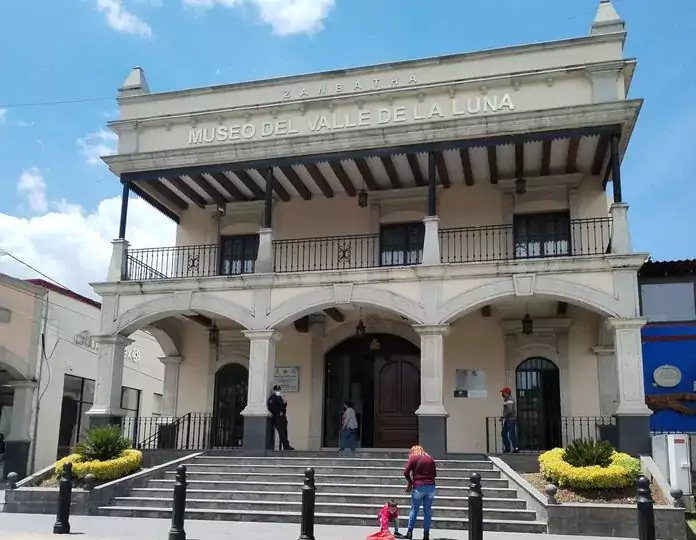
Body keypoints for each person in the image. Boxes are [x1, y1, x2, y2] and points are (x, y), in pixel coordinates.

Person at [403, 445, 437, 540]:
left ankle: (409, 533)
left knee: (414, 510)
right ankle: (426, 535)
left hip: (419, 487)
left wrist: (411, 481)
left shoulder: (413, 458)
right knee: (427, 511)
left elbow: (406, 472)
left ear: (413, 451)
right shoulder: (430, 459)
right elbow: (435, 474)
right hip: (431, 487)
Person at [267, 385, 294, 451]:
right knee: (281, 432)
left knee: (285, 432)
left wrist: (285, 403)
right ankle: (286, 446)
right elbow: (271, 407)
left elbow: (283, 406)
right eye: (277, 390)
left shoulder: (280, 397)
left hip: (282, 416)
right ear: (274, 391)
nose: (278, 391)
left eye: (279, 390)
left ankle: (285, 446)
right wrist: (279, 412)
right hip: (277, 417)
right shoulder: (272, 398)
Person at [500, 387, 519, 453]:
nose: (502, 394)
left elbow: (510, 410)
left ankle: (515, 448)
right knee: (504, 433)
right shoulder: (506, 399)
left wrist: (503, 416)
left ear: (506, 393)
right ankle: (508, 448)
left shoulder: (509, 399)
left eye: (503, 392)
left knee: (511, 434)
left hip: (511, 419)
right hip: (508, 419)